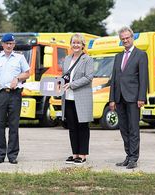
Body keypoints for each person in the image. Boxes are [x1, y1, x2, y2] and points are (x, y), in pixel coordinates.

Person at [0, 33, 30, 164]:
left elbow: (27, 73)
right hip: (0, 94)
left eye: (11, 43)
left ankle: (12, 155)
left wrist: (17, 78)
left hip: (15, 94)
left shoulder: (20, 58)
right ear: (2, 44)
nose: (9, 45)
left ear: (14, 44)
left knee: (14, 125)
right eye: (7, 43)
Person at [109, 27, 148, 169]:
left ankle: (134, 158)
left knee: (133, 129)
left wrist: (141, 97)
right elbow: (114, 79)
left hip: (133, 98)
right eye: (123, 39)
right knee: (123, 129)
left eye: (127, 38)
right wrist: (112, 99)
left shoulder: (141, 55)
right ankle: (128, 155)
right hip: (119, 98)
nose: (125, 40)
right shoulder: (117, 57)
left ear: (132, 38)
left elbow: (144, 78)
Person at [61, 33, 94, 165]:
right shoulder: (67, 59)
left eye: (78, 43)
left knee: (82, 126)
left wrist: (72, 85)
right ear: (71, 44)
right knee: (72, 127)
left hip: (82, 98)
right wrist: (58, 83)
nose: (75, 45)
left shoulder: (88, 59)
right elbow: (64, 76)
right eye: (73, 42)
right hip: (68, 98)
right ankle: (75, 154)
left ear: (82, 45)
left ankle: (83, 155)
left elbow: (89, 77)